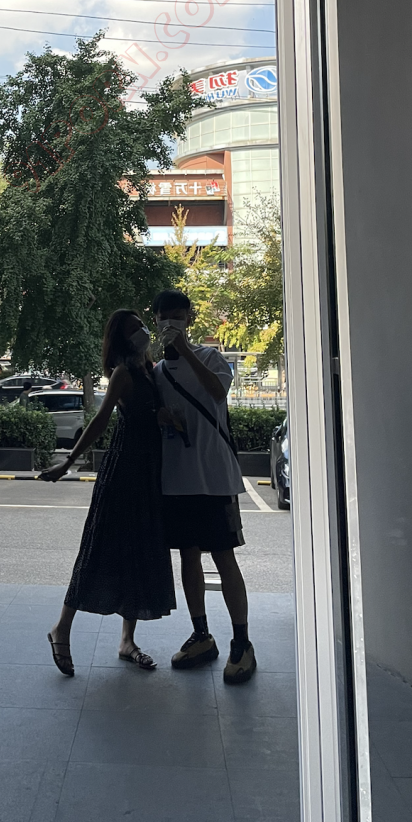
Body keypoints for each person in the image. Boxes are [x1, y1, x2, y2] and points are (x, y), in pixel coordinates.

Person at [41, 309, 176, 676]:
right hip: (122, 473)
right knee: (97, 551)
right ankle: (61, 628)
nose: (142, 331)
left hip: (148, 475)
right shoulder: (123, 373)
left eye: (141, 325)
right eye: (134, 329)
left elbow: (151, 414)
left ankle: (127, 641)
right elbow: (101, 421)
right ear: (121, 339)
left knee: (139, 554)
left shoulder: (150, 370)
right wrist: (68, 462)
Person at [152, 289, 256, 685]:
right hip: (176, 482)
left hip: (215, 479)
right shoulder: (156, 372)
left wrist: (185, 350)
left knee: (225, 558)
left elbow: (217, 391)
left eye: (178, 317)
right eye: (165, 317)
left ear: (190, 319)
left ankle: (242, 642)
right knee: (188, 558)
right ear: (156, 320)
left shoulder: (211, 358)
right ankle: (201, 634)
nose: (171, 324)